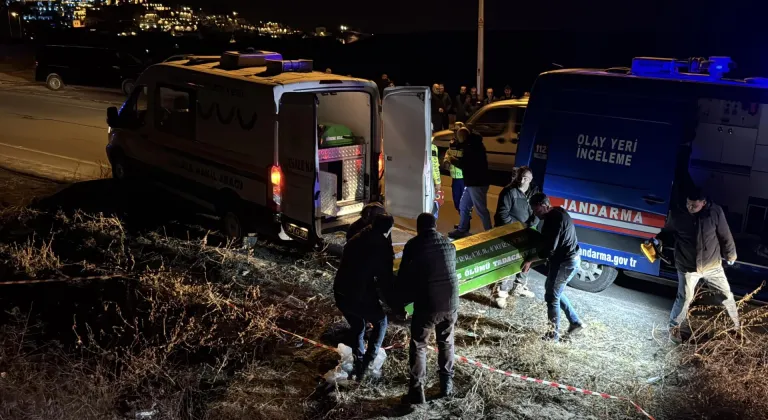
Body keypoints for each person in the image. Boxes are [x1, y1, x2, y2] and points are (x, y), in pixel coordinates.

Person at [650, 187, 740, 343]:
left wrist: (731, 254)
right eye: (688, 204)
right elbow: (667, 232)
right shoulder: (678, 214)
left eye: (694, 205)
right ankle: (675, 330)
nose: (690, 208)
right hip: (687, 267)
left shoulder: (715, 213)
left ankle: (736, 330)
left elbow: (725, 235)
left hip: (712, 266)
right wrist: (658, 240)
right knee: (684, 298)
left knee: (725, 296)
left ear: (703, 203)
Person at [397, 213, 459, 404]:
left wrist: (400, 302)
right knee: (446, 342)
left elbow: (403, 277)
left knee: (419, 345)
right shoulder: (449, 244)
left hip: (428, 303)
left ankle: (417, 391)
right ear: (435, 225)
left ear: (418, 228)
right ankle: (446, 384)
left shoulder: (414, 245)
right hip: (451, 302)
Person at [334, 213, 398, 381]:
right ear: (389, 229)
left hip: (340, 291)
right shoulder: (381, 247)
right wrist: (396, 306)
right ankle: (368, 363)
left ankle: (359, 359)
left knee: (358, 326)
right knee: (381, 321)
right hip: (358, 294)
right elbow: (386, 282)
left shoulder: (357, 237)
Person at [521, 193, 585, 342]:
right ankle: (575, 322)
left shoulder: (554, 219)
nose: (536, 214)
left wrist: (530, 260)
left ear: (544, 205)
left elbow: (549, 249)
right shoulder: (558, 211)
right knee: (553, 290)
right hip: (568, 259)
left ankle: (552, 336)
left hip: (566, 262)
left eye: (537, 210)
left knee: (552, 297)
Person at [491, 167, 538, 307]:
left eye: (525, 178)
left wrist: (530, 224)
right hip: (509, 232)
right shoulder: (509, 192)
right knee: (506, 260)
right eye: (520, 176)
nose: (521, 180)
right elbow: (502, 214)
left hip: (526, 231)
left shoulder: (533, 193)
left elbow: (537, 211)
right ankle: (500, 291)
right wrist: (517, 227)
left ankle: (518, 287)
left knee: (526, 259)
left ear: (530, 180)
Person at [447, 127, 492, 238]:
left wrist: (451, 159)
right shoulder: (473, 144)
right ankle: (462, 229)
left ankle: (490, 233)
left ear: (462, 136)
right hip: (473, 182)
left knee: (481, 210)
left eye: (458, 137)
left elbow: (465, 165)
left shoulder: (471, 147)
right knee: (464, 205)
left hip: (477, 183)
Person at [443, 126, 465, 214]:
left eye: (457, 131)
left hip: (463, 178)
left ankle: (464, 223)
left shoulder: (465, 144)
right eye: (454, 131)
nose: (455, 133)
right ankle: (462, 221)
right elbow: (448, 153)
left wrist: (453, 160)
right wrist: (446, 161)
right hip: (455, 177)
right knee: (456, 200)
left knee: (464, 202)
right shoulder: (452, 143)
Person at [431, 141, 443, 220]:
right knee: (433, 202)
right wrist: (438, 182)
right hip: (430, 180)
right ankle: (432, 224)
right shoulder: (432, 147)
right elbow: (434, 165)